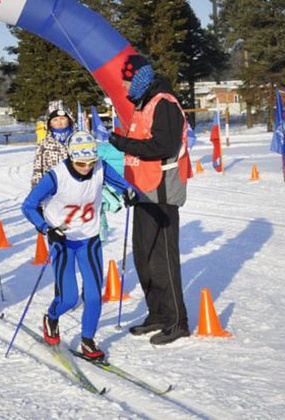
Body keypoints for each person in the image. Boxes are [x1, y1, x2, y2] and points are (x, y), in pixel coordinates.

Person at [22, 131, 138, 360]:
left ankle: (87, 339)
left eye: (90, 162)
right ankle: (51, 317)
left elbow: (125, 186)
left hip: (89, 238)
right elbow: (28, 205)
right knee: (69, 298)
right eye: (81, 163)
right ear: (71, 158)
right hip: (62, 238)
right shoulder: (56, 176)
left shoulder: (100, 167)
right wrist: (46, 229)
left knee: (94, 295)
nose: (86, 167)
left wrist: (131, 193)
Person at [108, 55, 193, 345]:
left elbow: (164, 145)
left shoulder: (164, 103)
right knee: (143, 257)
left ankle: (177, 321)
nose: (123, 83)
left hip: (162, 191)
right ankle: (156, 313)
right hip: (143, 190)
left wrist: (123, 143)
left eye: (127, 78)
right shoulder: (144, 102)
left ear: (140, 78)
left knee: (163, 259)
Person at [30, 100, 75, 188]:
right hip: (53, 188)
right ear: (49, 123)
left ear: (69, 119)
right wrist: (36, 189)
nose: (59, 123)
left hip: (75, 186)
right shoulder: (44, 143)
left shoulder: (78, 138)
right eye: (55, 120)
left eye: (62, 118)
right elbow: (38, 170)